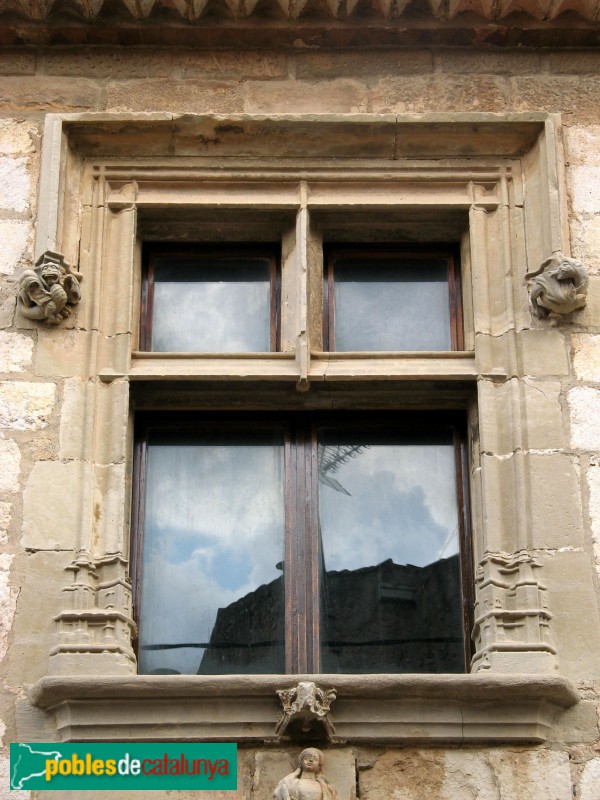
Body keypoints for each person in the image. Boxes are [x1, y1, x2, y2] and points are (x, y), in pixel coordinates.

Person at [273, 748, 341, 800]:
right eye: (307, 758)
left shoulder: (326, 787)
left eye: (315, 759)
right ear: (301, 762)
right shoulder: (289, 782)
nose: (310, 760)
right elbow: (278, 795)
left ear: (319, 765)